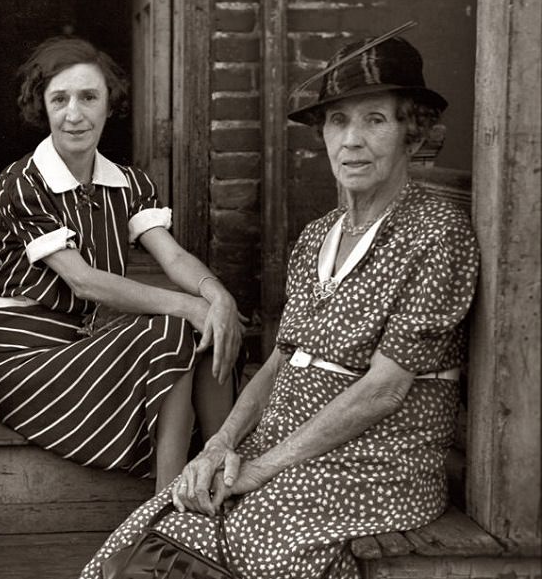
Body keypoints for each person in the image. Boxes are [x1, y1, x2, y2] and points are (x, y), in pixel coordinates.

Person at [81, 33, 479, 578]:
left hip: (377, 461)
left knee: (257, 539)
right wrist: (220, 445)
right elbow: (279, 362)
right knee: (164, 524)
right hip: (286, 443)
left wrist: (262, 469)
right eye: (338, 122)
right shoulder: (316, 237)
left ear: (411, 133)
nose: (352, 141)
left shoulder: (437, 234)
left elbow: (384, 388)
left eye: (375, 120)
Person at [0, 36, 245, 491]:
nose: (74, 114)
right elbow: (83, 282)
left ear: (108, 104)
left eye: (88, 97)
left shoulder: (128, 183)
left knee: (207, 323)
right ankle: (169, 502)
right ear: (42, 107)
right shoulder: (22, 181)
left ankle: (217, 476)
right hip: (28, 364)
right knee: (174, 325)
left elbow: (173, 255)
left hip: (91, 351)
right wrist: (187, 306)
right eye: (59, 99)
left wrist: (217, 297)